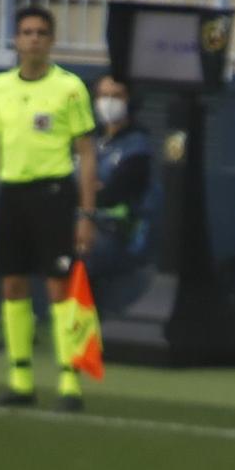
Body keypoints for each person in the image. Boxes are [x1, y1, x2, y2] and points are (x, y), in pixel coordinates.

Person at [0, 6, 97, 413]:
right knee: (12, 285)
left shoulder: (69, 88)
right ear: (17, 40)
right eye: (26, 32)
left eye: (41, 32)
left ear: (51, 40)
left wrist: (85, 215)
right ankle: (20, 380)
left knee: (59, 288)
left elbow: (87, 155)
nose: (33, 39)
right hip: (13, 195)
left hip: (54, 194)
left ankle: (69, 382)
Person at [84, 74, 155, 313]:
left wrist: (87, 190)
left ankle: (89, 330)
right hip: (83, 221)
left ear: (130, 101)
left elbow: (112, 195)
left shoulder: (138, 146)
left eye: (116, 96)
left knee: (81, 251)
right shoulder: (93, 140)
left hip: (117, 232)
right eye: (103, 96)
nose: (108, 102)